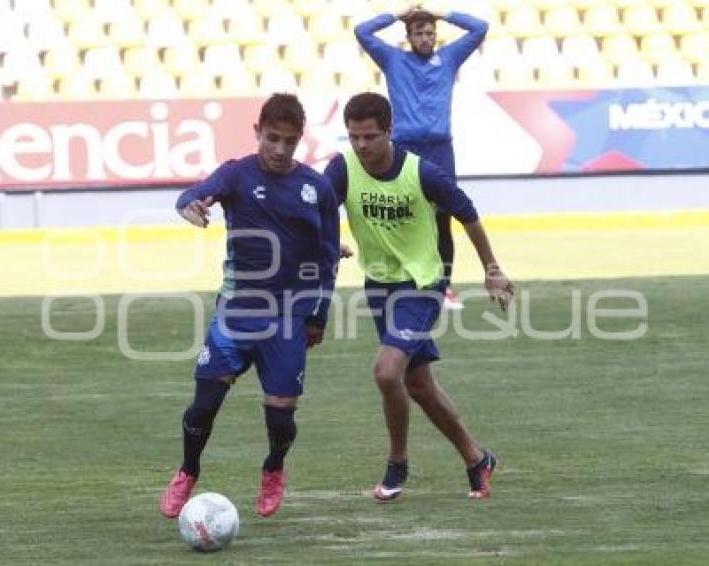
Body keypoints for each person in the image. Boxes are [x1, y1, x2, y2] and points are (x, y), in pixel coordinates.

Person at [323, 92, 513, 501]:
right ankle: (477, 459)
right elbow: (317, 209)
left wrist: (492, 269)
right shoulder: (342, 169)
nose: (361, 146)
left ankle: (397, 464)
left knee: (387, 371)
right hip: (379, 285)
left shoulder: (422, 172)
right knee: (419, 384)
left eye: (370, 136)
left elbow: (467, 212)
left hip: (423, 284)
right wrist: (327, 240)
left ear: (389, 132)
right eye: (353, 137)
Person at [160, 93, 339, 519]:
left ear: (300, 140)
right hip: (237, 312)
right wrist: (191, 206)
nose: (279, 150)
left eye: (289, 142)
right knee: (203, 405)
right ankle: (188, 470)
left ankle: (274, 467)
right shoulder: (236, 174)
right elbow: (192, 194)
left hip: (289, 318)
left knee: (280, 418)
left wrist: (318, 315)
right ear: (258, 132)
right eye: (272, 138)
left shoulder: (317, 188)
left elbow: (328, 257)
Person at [354, 4, 489, 310]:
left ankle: (443, 290)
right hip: (404, 148)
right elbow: (362, 31)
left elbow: (480, 27)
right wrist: (399, 15)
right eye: (419, 33)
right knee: (406, 217)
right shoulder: (393, 60)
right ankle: (404, 281)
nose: (426, 38)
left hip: (440, 149)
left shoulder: (449, 58)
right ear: (409, 36)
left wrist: (440, 13)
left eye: (430, 33)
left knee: (444, 219)